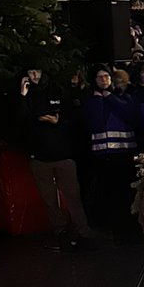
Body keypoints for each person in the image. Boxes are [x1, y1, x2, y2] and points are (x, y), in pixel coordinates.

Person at [21, 63, 94, 251]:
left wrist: (58, 120)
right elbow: (22, 121)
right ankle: (60, 232)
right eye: (31, 71)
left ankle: (83, 231)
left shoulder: (58, 90)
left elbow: (72, 117)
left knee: (72, 195)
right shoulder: (27, 94)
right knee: (48, 199)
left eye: (37, 70)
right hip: (38, 155)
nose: (34, 74)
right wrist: (22, 96)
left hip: (63, 153)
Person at [83, 65, 140, 242]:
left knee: (127, 193)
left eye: (106, 76)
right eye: (99, 77)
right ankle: (117, 231)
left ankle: (131, 229)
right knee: (111, 195)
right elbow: (96, 123)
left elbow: (129, 114)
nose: (104, 80)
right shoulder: (91, 100)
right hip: (104, 156)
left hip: (126, 153)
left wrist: (109, 97)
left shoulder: (124, 97)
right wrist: (100, 100)